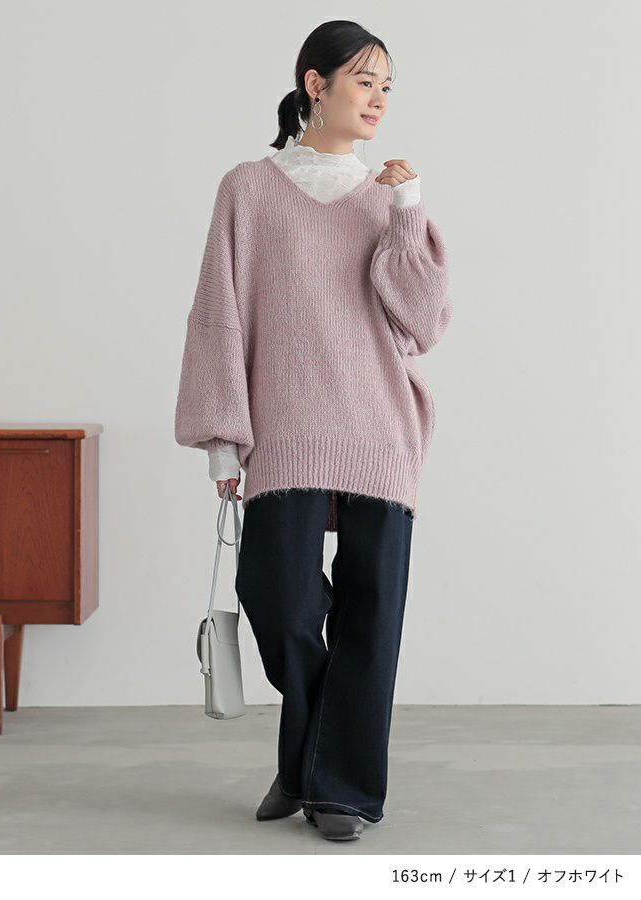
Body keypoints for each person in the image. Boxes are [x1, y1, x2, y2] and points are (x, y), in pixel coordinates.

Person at [174, 19, 451, 842]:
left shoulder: (388, 199)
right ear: (315, 84)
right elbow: (219, 316)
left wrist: (407, 212)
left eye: (388, 85)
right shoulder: (249, 190)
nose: (379, 99)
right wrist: (222, 438)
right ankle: (310, 763)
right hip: (286, 434)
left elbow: (424, 323)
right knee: (279, 599)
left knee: (372, 616)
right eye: (365, 80)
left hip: (380, 430)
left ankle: (340, 792)